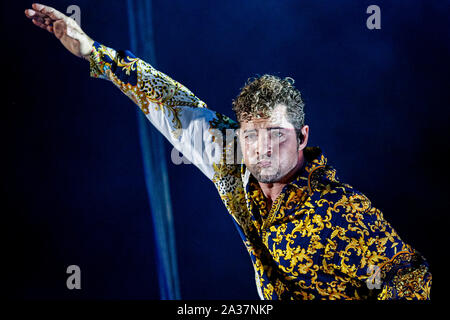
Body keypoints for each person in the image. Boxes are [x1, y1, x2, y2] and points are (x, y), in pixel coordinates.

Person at [25, 3, 432, 300]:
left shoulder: (344, 211)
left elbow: (410, 278)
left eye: (276, 134)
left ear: (303, 137)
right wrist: (91, 49)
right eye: (251, 136)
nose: (263, 149)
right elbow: (170, 101)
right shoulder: (232, 159)